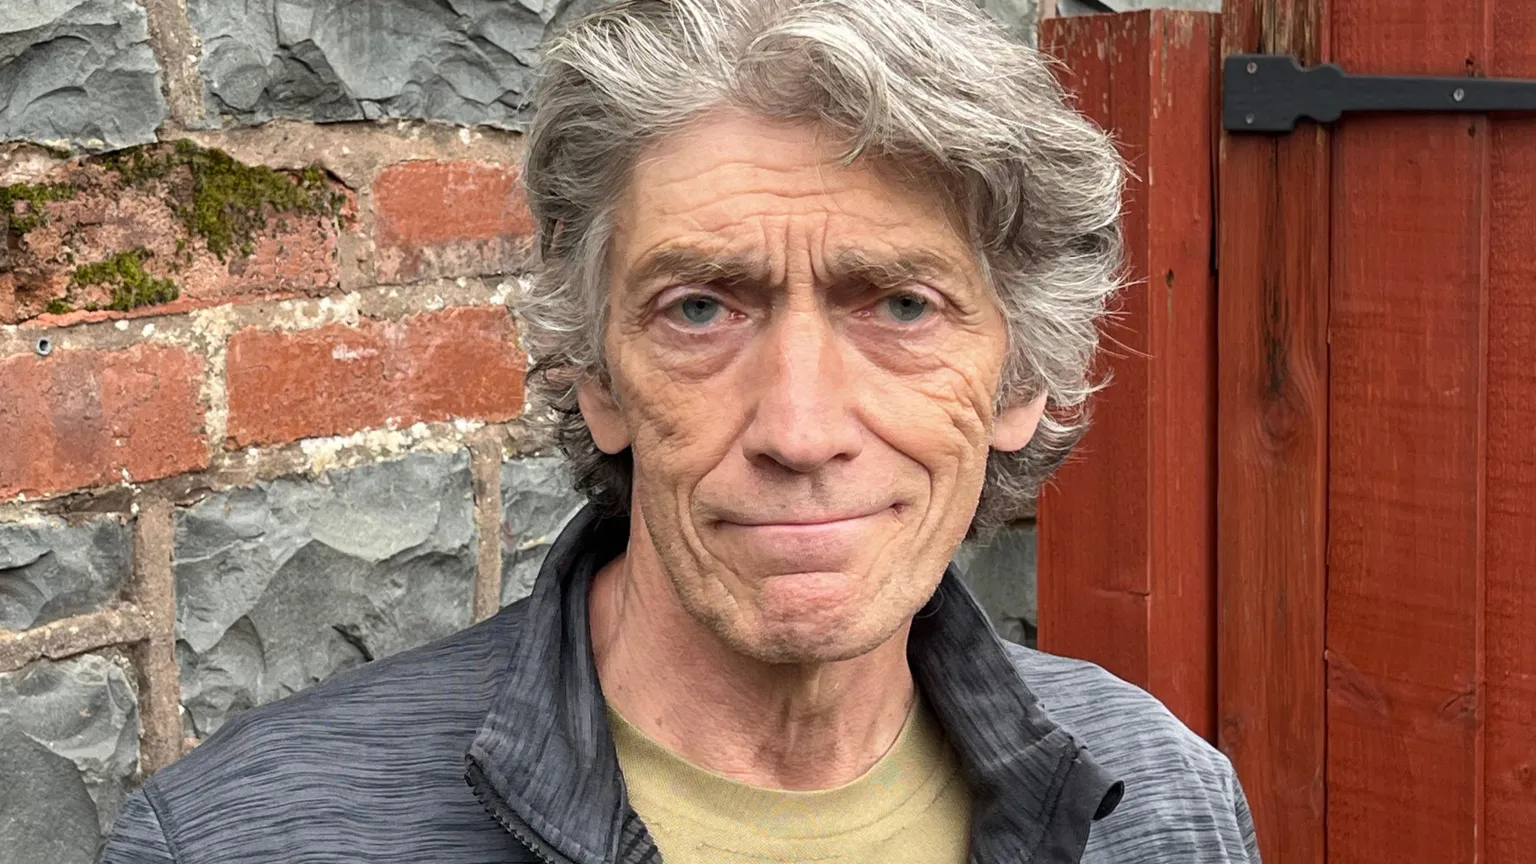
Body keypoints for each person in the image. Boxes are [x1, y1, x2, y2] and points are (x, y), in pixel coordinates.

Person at [103, 1, 1260, 862]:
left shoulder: (1163, 803)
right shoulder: (236, 841)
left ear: (1021, 378)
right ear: (598, 377)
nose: (799, 429)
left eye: (902, 307)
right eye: (700, 309)